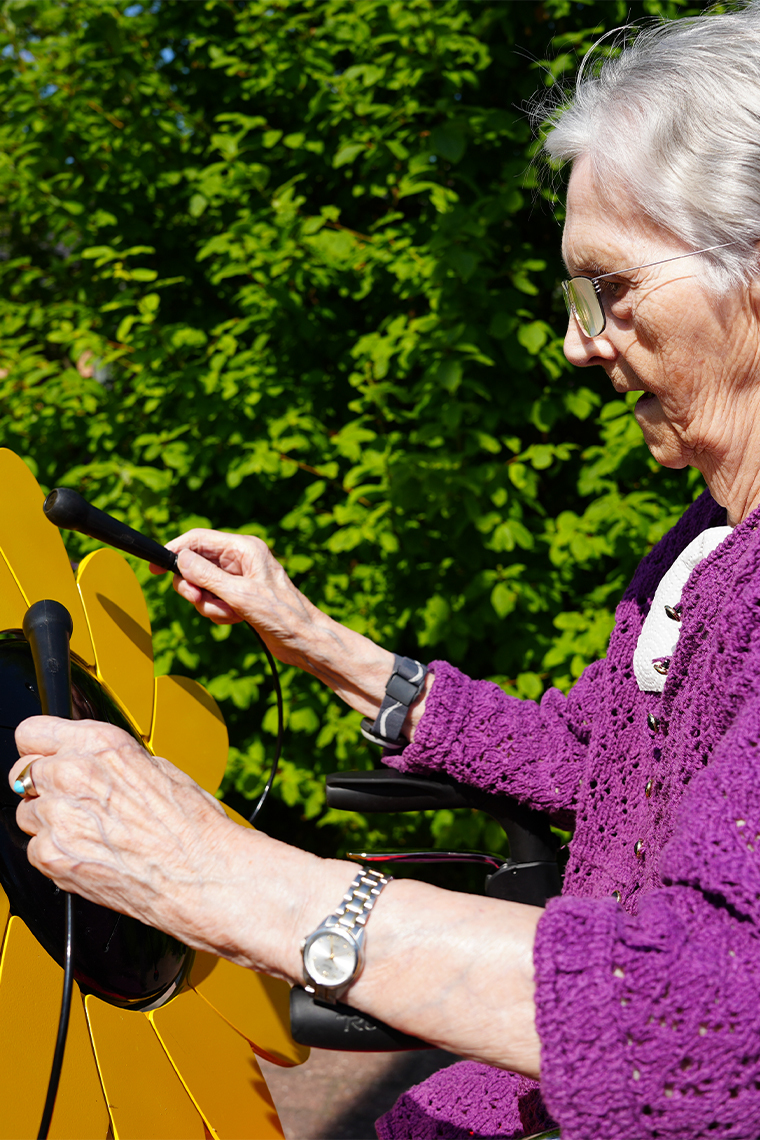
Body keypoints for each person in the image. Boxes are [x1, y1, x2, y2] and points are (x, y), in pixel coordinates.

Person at [12, 4, 760, 1137]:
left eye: (608, 287)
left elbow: (706, 1013)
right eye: (574, 298)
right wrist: (310, 637)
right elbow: (591, 759)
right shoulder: (697, 550)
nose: (577, 342)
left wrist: (231, 880)